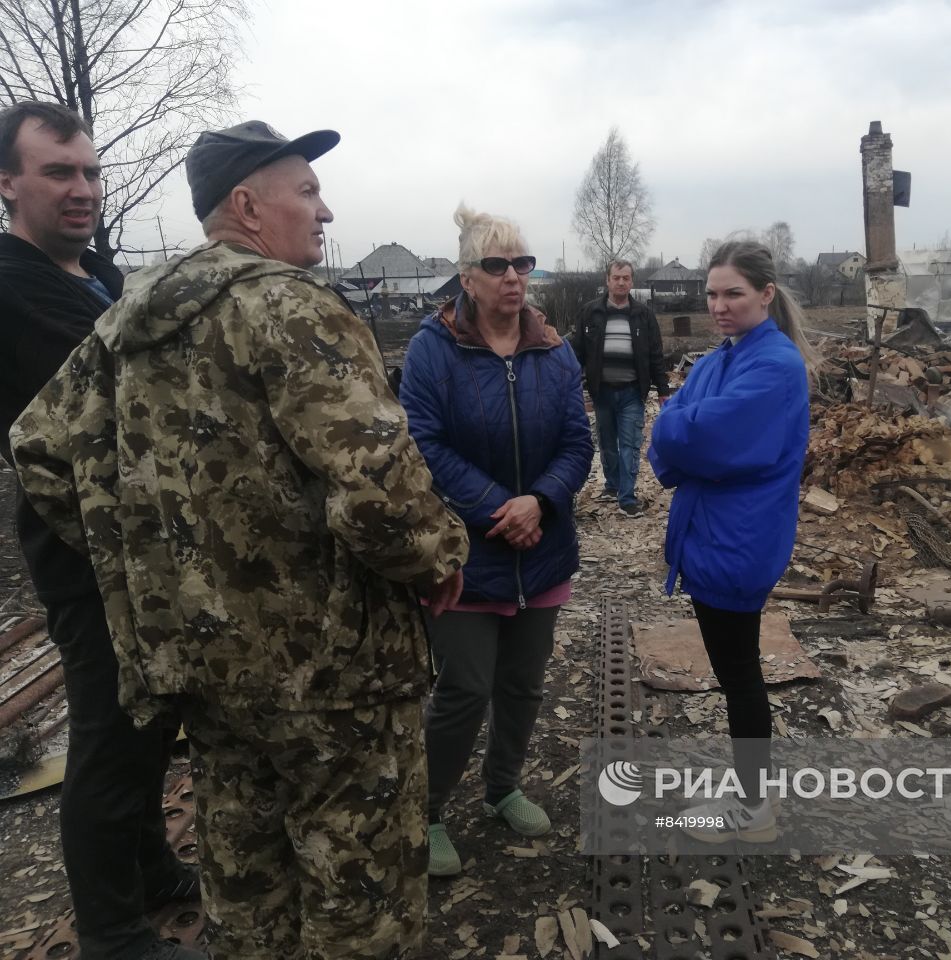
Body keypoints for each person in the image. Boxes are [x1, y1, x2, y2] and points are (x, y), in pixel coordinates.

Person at [10, 120, 469, 960]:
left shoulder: (128, 318)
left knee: (247, 889)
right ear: (248, 205)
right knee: (357, 898)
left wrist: (146, 564)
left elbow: (39, 450)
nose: (325, 211)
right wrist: (441, 557)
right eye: (308, 191)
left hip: (204, 665)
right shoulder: (294, 309)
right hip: (336, 675)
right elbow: (379, 494)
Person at [0, 101, 199, 960]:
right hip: (83, 550)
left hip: (140, 553)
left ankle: (151, 869)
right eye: (57, 173)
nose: (81, 190)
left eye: (89, 171)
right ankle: (113, 932)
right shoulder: (15, 285)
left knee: (150, 726)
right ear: (9, 184)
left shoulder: (100, 277)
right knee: (111, 737)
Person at [399, 203, 592, 877]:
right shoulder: (434, 349)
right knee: (464, 688)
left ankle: (502, 785)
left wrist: (539, 502)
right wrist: (493, 508)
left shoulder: (554, 349)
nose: (513, 277)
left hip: (542, 548)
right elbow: (423, 442)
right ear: (467, 277)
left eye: (523, 263)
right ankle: (424, 811)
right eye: (496, 264)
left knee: (523, 685)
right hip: (464, 553)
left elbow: (577, 440)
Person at [647, 240, 820, 843]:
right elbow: (680, 427)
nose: (719, 305)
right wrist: (678, 427)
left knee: (739, 672)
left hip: (738, 538)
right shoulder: (724, 357)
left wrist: (676, 426)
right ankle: (754, 802)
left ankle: (754, 811)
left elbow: (691, 432)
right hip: (714, 530)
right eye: (713, 294)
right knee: (733, 668)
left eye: (733, 294)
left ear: (766, 295)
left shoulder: (773, 364)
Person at [572, 260, 669, 516]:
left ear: (632, 281)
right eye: (617, 277)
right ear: (607, 280)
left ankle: (627, 497)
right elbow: (576, 352)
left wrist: (663, 390)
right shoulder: (590, 313)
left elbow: (656, 354)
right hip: (601, 391)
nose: (621, 282)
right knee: (606, 444)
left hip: (631, 393)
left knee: (630, 445)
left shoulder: (643, 315)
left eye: (626, 278)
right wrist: (567, 383)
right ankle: (613, 485)